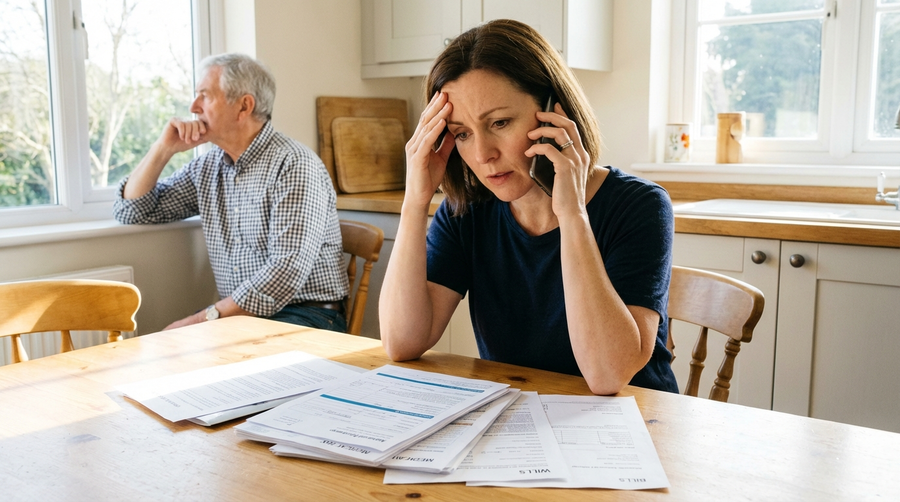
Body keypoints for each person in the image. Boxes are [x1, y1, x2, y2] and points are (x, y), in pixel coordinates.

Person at [379, 20, 678, 395]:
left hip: (634, 424)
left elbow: (607, 376)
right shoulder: (468, 211)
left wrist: (572, 215)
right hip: (522, 420)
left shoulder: (639, 206)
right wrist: (415, 201)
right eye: (462, 134)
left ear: (556, 112)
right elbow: (401, 342)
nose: (483, 155)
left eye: (500, 122)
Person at [114, 53, 348, 332]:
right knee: (169, 354)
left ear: (244, 106)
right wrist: (163, 149)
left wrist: (201, 319)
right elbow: (133, 210)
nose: (193, 106)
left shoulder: (295, 165)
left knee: (183, 351)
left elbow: (284, 273)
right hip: (244, 316)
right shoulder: (209, 166)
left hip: (306, 316)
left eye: (205, 96)